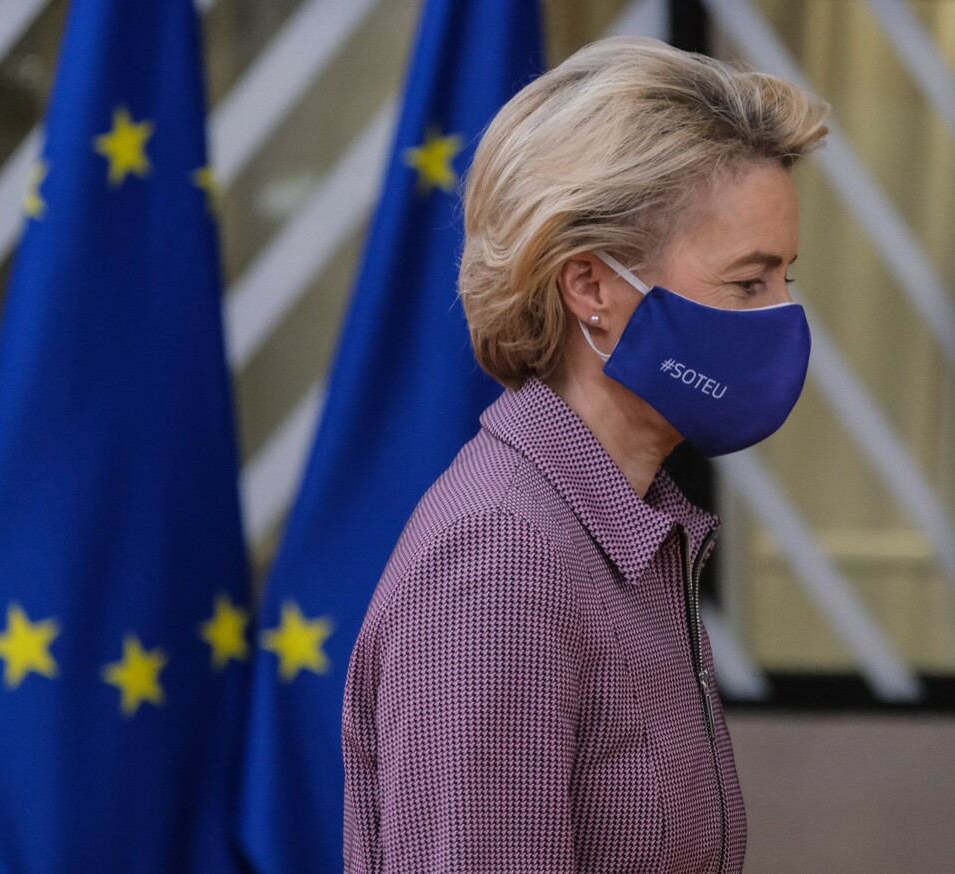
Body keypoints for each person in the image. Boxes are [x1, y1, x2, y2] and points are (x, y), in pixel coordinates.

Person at [340, 36, 829, 873]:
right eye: (748, 282)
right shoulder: (502, 562)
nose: (782, 317)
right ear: (591, 287)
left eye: (786, 277)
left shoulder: (627, 527)